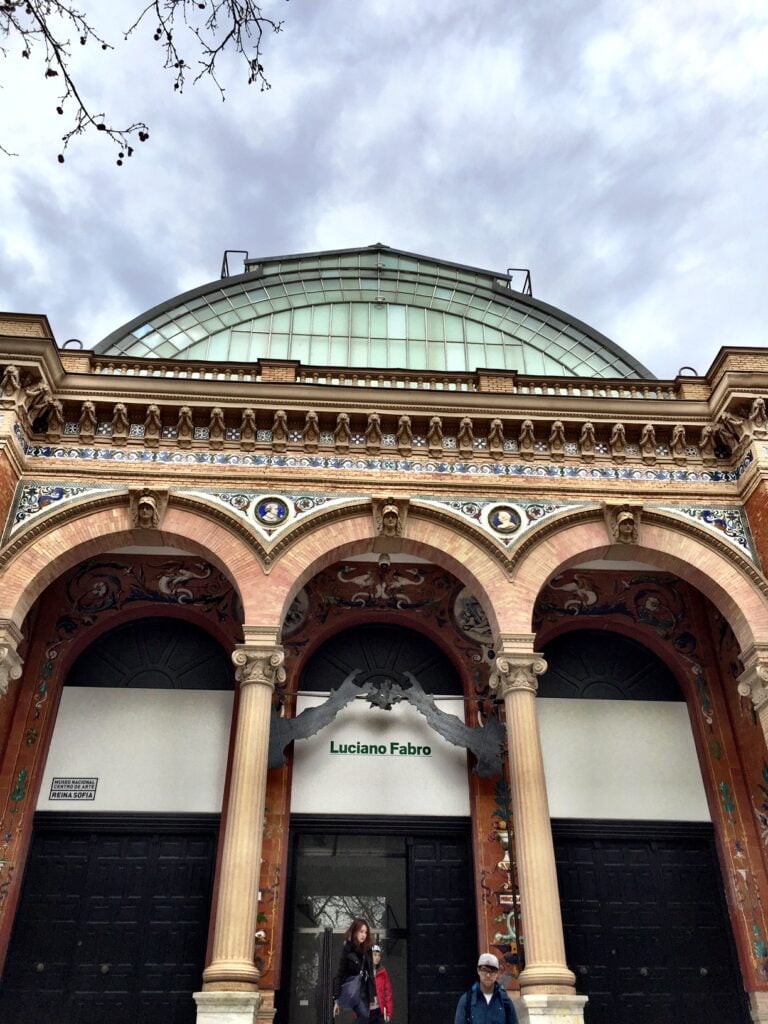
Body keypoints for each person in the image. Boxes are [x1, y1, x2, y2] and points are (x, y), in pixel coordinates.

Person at [332, 918, 379, 1022]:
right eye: (361, 931)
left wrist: (373, 996)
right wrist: (336, 999)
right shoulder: (348, 949)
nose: (364, 935)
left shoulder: (368, 949)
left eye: (366, 932)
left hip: (365, 991)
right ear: (355, 931)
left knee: (366, 1018)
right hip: (354, 989)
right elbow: (340, 973)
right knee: (364, 1016)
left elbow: (371, 974)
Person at [454, 953, 518, 1024]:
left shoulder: (504, 1000)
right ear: (478, 971)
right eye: (484, 970)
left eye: (492, 971)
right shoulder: (466, 1000)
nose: (488, 975)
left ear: (497, 973)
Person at [371, 944, 393, 1022]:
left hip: (378, 1010)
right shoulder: (363, 971)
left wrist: (388, 1013)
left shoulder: (382, 972)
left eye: (379, 955)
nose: (377, 957)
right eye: (374, 955)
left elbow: (388, 993)